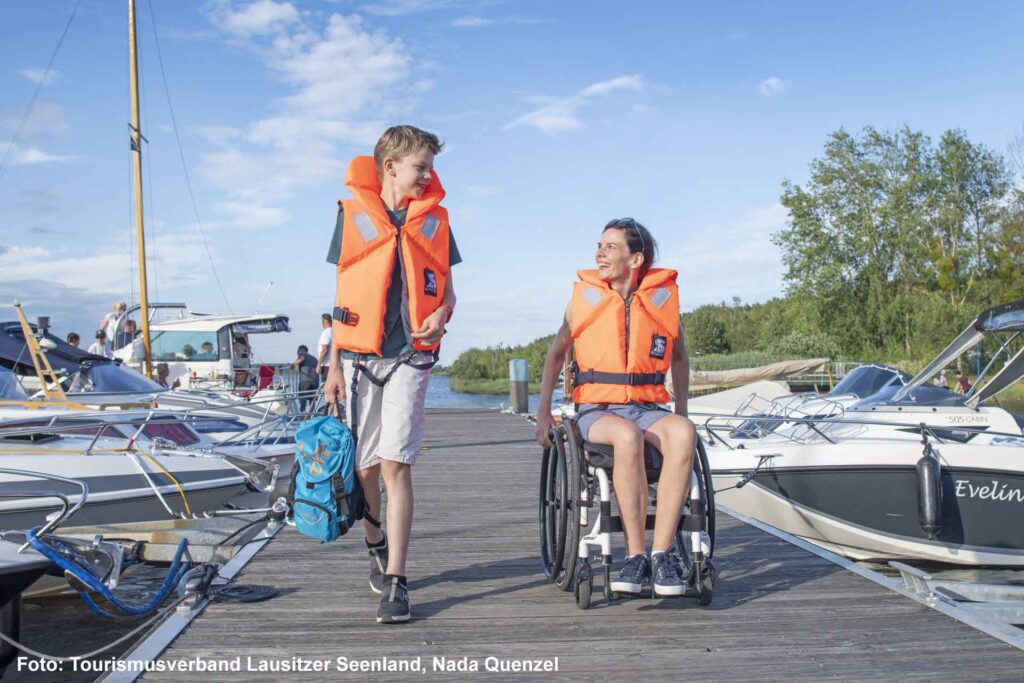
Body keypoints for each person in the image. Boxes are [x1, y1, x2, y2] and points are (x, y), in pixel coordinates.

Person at [323, 125, 461, 624]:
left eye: (429, 166)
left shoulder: (438, 222)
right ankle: (375, 538)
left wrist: (442, 315)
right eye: (420, 166)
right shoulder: (351, 217)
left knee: (394, 464)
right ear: (390, 167)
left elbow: (448, 292)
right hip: (360, 360)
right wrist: (333, 366)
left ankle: (398, 581)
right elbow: (342, 296)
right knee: (364, 472)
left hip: (412, 357)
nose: (428, 175)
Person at [534, 217, 696, 599]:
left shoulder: (661, 302)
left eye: (610, 247)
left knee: (684, 433)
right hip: (598, 410)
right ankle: (635, 555)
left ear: (635, 259)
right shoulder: (583, 303)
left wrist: (682, 411)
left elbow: (680, 358)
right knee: (625, 437)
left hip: (647, 407)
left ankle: (661, 555)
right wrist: (544, 412)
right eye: (599, 246)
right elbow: (556, 355)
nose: (599, 253)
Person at [293, 345, 318, 411]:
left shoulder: (302, 354)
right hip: (315, 381)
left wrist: (292, 365)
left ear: (300, 351)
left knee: (302, 398)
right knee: (312, 399)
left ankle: (302, 413)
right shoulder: (314, 358)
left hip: (305, 381)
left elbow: (300, 360)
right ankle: (312, 414)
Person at [316, 313, 332, 382]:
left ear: (323, 322)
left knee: (326, 389)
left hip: (327, 365)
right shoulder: (335, 331)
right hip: (336, 365)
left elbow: (324, 350)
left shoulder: (326, 332)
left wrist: (319, 364)